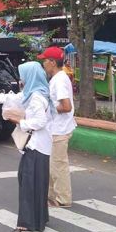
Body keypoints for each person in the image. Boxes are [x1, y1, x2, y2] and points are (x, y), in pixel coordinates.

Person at [0, 62, 52, 232]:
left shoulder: (37, 97)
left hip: (37, 145)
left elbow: (40, 122)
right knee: (32, 181)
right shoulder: (32, 93)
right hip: (37, 145)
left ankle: (30, 222)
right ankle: (38, 218)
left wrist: (19, 122)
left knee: (30, 182)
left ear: (30, 77)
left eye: (23, 76)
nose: (21, 80)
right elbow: (14, 98)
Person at [39, 47, 76, 208]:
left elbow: (66, 106)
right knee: (52, 165)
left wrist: (47, 108)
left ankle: (63, 199)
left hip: (60, 129)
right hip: (56, 128)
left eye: (45, 61)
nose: (43, 64)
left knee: (58, 165)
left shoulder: (59, 80)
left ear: (52, 62)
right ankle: (52, 195)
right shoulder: (57, 78)